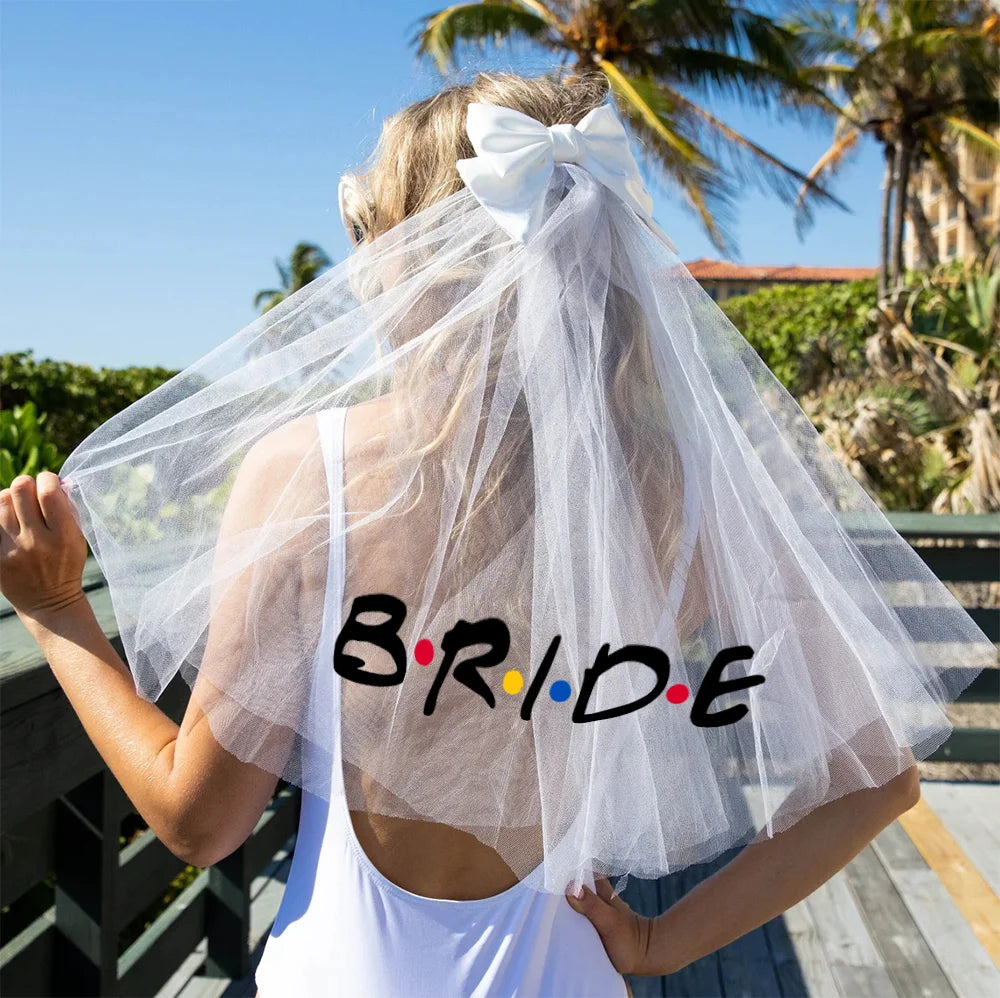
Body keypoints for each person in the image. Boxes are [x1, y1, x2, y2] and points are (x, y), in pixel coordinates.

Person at [2, 70, 991, 997]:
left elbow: (199, 819)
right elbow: (877, 776)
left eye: (377, 244)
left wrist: (55, 615)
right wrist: (657, 941)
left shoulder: (314, 474)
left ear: (422, 266)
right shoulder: (673, 496)